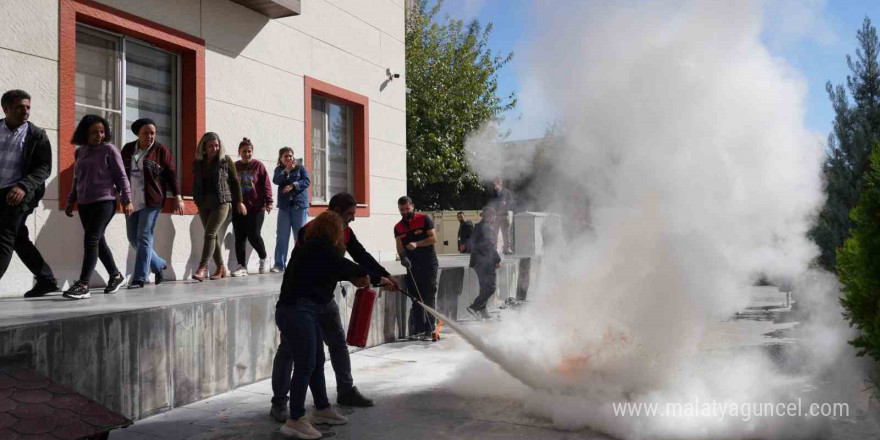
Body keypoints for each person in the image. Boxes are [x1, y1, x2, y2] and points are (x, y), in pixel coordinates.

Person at [270, 192, 398, 422]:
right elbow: (327, 262)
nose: (353, 219)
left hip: (324, 299)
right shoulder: (312, 231)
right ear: (336, 211)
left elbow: (360, 256)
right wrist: (365, 277)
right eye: (350, 214)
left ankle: (344, 391)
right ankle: (280, 402)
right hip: (300, 302)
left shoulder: (345, 231)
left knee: (336, 343)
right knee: (292, 351)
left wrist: (383, 275)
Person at [275, 210, 362, 439]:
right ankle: (295, 419)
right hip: (296, 311)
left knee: (317, 359)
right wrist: (369, 276)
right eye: (341, 229)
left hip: (304, 309)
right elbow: (345, 265)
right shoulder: (319, 248)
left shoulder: (313, 247)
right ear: (334, 230)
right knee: (305, 363)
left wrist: (373, 276)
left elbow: (341, 268)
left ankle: (322, 409)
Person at [63, 114, 133, 299]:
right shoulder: (80, 152)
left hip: (105, 201)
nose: (99, 136)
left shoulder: (110, 149)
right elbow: (77, 178)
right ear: (85, 133)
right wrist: (71, 200)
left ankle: (83, 284)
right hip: (85, 203)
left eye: (102, 132)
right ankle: (116, 276)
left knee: (91, 239)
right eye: (94, 132)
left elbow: (121, 176)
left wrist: (127, 200)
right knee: (98, 241)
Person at [0, 89, 56, 296]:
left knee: (4, 236)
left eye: (28, 107)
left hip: (21, 193)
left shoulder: (36, 135)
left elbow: (44, 167)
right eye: (19, 107)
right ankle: (46, 279)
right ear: (5, 109)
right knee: (17, 238)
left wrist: (23, 186)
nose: (25, 111)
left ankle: (46, 279)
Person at [121, 118, 185, 289]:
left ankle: (140, 278)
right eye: (146, 133)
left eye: (152, 133)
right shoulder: (128, 149)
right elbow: (120, 173)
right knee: (133, 238)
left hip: (152, 200)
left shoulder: (161, 150)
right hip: (131, 200)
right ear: (138, 134)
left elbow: (171, 175)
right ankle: (158, 264)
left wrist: (178, 196)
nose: (150, 136)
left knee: (144, 237)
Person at [191, 132, 245, 281]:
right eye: (210, 146)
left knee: (209, 234)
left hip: (222, 202)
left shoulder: (225, 160)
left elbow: (234, 182)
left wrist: (239, 201)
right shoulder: (198, 162)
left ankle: (202, 267)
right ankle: (221, 267)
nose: (214, 148)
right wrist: (196, 199)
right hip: (203, 202)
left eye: (216, 145)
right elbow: (196, 183)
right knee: (212, 237)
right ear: (204, 147)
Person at [394, 196, 438, 340]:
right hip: (412, 266)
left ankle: (430, 328)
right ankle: (418, 329)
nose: (405, 212)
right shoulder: (398, 227)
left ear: (412, 206)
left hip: (428, 264)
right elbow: (399, 245)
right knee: (416, 298)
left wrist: (416, 244)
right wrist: (403, 257)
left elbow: (433, 238)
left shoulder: (424, 219)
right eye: (402, 210)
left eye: (407, 208)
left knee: (429, 296)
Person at [231, 137, 273, 277]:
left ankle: (264, 257)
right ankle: (241, 266)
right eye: (244, 151)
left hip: (256, 207)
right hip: (238, 207)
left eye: (249, 151)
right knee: (240, 237)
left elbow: (266, 184)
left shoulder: (258, 166)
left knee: (254, 235)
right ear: (239, 152)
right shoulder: (234, 166)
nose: (247, 154)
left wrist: (269, 201)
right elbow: (230, 185)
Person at [272, 147, 309, 273]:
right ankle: (279, 264)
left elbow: (307, 181)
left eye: (290, 156)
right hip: (284, 207)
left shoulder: (301, 168)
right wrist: (287, 170)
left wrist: (294, 185)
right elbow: (276, 180)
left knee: (300, 237)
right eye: (285, 156)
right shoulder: (279, 170)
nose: (289, 158)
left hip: (299, 206)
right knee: (282, 236)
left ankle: (303, 263)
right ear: (281, 158)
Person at [466, 207, 501, 320]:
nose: (494, 218)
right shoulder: (486, 228)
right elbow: (489, 245)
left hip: (478, 262)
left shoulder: (478, 226)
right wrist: (497, 259)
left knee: (484, 287)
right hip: (486, 262)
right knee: (491, 287)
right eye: (493, 216)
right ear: (490, 216)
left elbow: (472, 244)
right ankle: (475, 307)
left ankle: (482, 310)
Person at [492, 177, 514, 255]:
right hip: (496, 216)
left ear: (501, 182)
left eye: (498, 181)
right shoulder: (493, 192)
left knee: (506, 233)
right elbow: (491, 203)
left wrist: (504, 206)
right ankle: (494, 248)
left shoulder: (506, 191)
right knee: (495, 233)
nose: (497, 182)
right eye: (495, 181)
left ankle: (507, 249)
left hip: (505, 215)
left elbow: (510, 202)